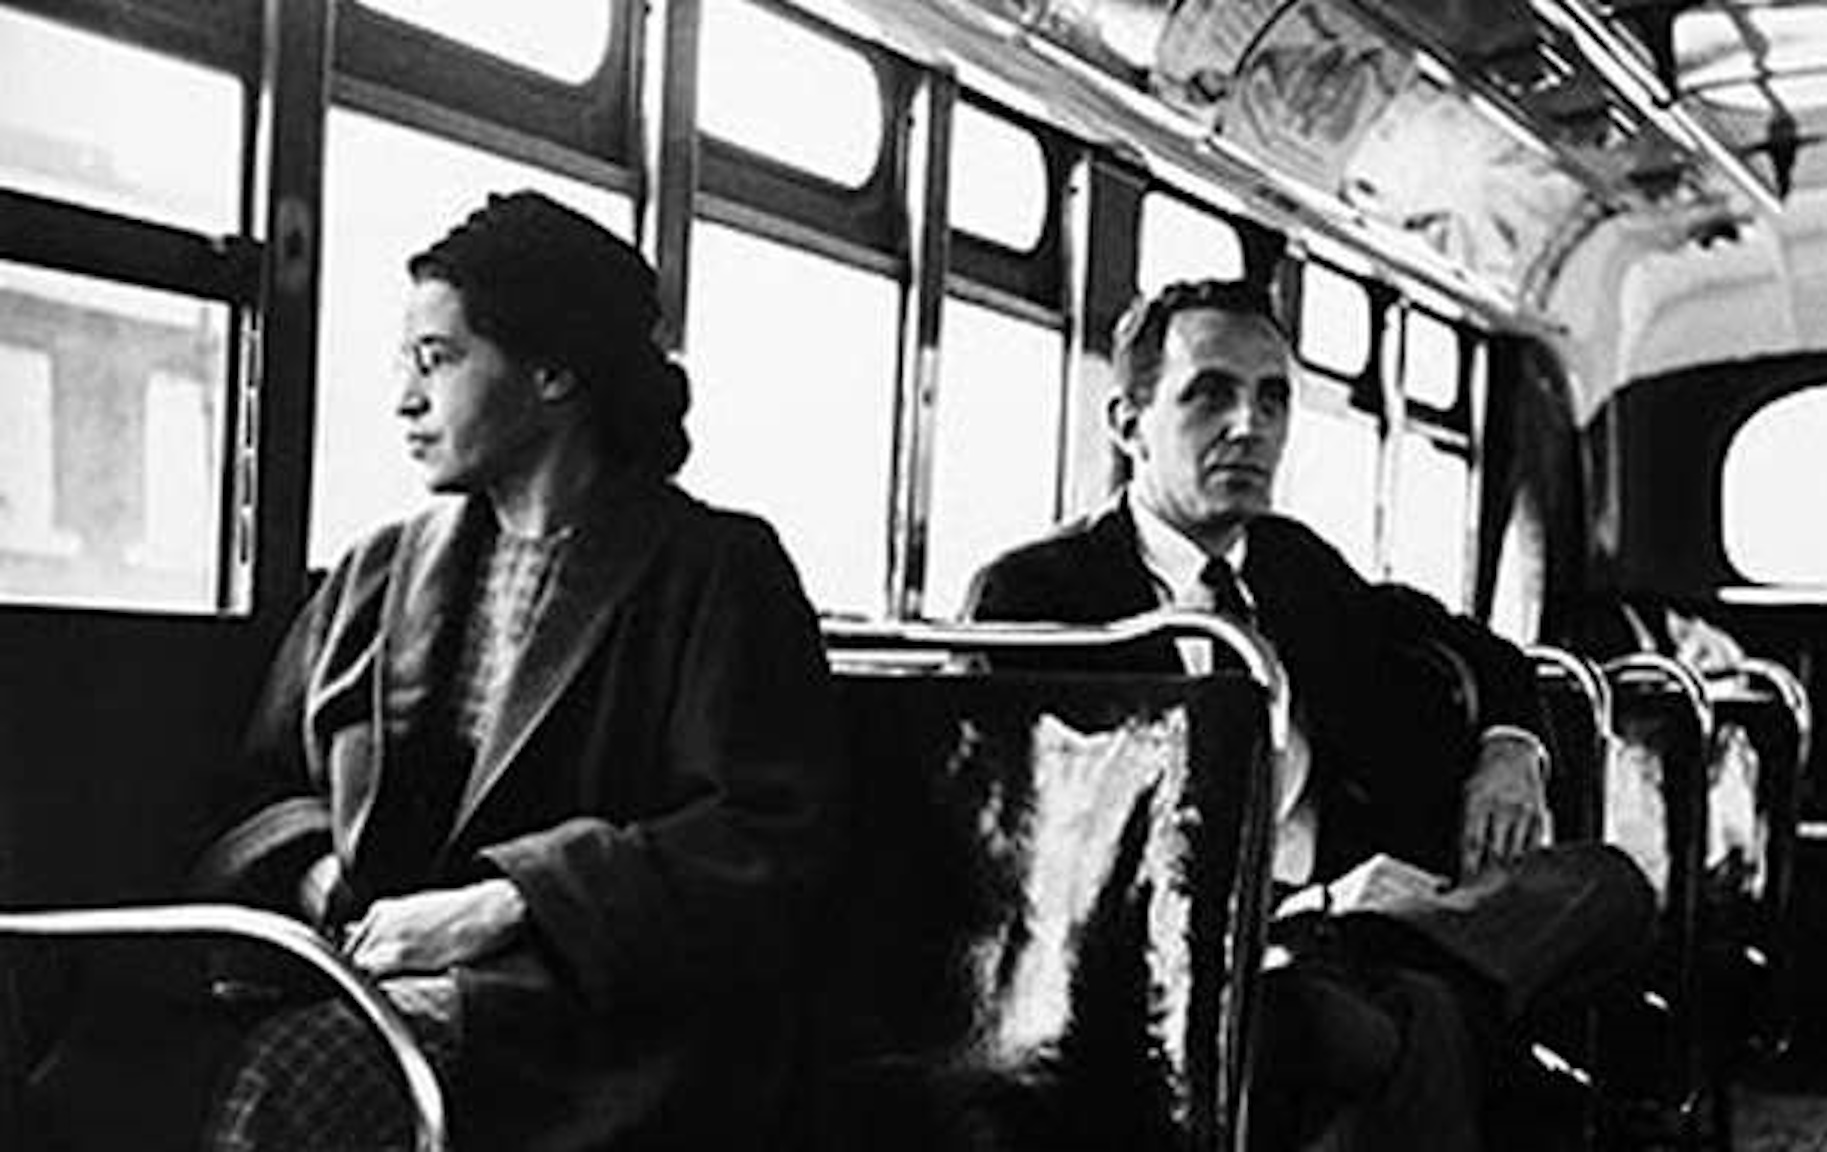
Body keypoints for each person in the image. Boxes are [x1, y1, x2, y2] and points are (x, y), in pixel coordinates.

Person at [189, 190, 845, 1150]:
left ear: (553, 374)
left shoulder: (716, 571)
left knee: (307, 1071)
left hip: (597, 1016)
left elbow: (767, 839)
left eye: (437, 359)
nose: (405, 399)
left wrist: (506, 906)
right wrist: (324, 880)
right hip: (368, 965)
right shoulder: (379, 570)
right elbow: (262, 788)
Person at [965, 277, 1656, 1150]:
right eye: (1210, 394)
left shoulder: (1294, 567)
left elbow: (1475, 648)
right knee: (1419, 1018)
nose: (1248, 426)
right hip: (1160, 961)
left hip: (1349, 932)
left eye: (1273, 399)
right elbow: (1033, 859)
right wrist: (1301, 910)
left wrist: (1511, 751)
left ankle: (1377, 944)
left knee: (1607, 886)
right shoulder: (1036, 594)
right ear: (1128, 423)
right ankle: (1395, 965)